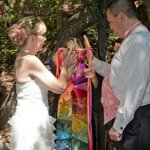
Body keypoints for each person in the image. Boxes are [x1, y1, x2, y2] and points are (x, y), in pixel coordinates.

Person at [85, 0, 150, 149]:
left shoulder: (138, 41)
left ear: (121, 16)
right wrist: (93, 61)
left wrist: (119, 125)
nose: (110, 27)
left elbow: (135, 88)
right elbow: (118, 73)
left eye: (110, 22)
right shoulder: (134, 39)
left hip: (136, 118)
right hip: (135, 116)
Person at [7, 16, 77, 150]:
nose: (45, 39)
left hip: (29, 119)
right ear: (32, 38)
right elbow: (60, 88)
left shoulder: (22, 58)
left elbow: (55, 85)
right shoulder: (30, 60)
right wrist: (64, 66)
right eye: (43, 35)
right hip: (32, 123)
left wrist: (70, 67)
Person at [51, 37, 97, 150]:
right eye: (69, 49)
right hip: (65, 106)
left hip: (82, 106)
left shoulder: (87, 63)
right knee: (64, 139)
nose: (72, 52)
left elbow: (96, 86)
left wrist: (93, 76)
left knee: (81, 140)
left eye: (75, 49)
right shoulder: (60, 67)